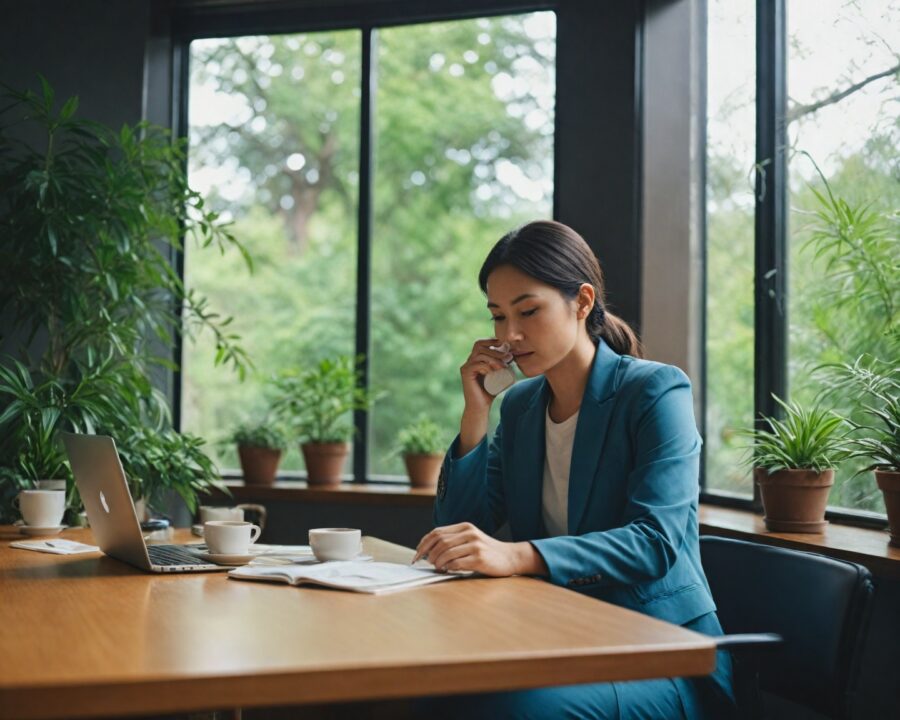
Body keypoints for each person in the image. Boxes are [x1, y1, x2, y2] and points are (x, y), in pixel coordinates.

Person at [413, 220, 735, 719]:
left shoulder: (656, 392)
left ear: (582, 302)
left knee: (514, 710)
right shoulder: (520, 408)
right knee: (441, 695)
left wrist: (520, 555)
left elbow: (655, 540)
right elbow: (461, 530)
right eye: (498, 316)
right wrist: (476, 413)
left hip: (662, 654)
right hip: (563, 640)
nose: (510, 335)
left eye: (528, 311)